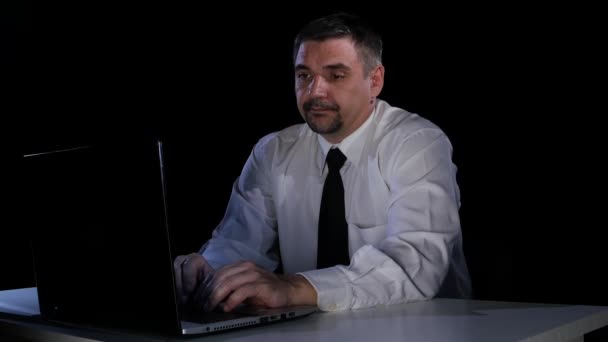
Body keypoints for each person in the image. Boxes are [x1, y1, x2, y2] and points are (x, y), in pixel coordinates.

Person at [174, 12, 471, 313]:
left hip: (424, 326)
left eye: (336, 76)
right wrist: (206, 272)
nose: (315, 91)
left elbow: (416, 265)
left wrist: (293, 287)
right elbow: (237, 245)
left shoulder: (417, 143)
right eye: (304, 75)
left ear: (375, 80)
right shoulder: (273, 152)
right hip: (309, 331)